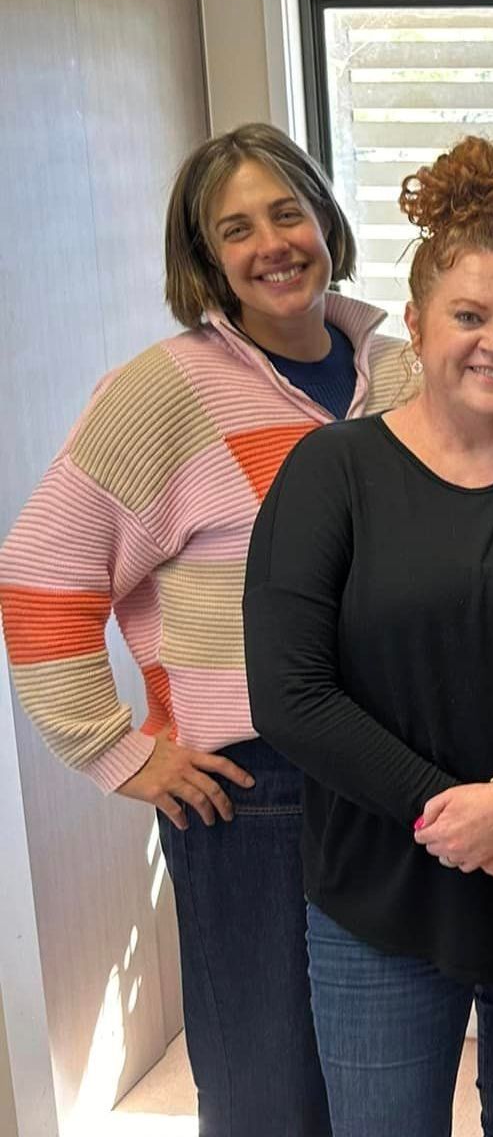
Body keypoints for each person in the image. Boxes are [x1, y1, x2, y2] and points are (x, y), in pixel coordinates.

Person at [241, 136, 493, 1137]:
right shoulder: (331, 473)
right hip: (379, 896)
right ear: (419, 327)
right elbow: (290, 696)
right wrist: (451, 815)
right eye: (469, 316)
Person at [0, 122, 411, 1136]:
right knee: (269, 1084)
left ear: (325, 219)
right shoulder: (164, 391)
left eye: (287, 211)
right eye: (236, 228)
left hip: (398, 778)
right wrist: (116, 750)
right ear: (205, 258)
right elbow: (42, 570)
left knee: (385, 1075)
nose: (271, 242)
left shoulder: (400, 373)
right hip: (254, 793)